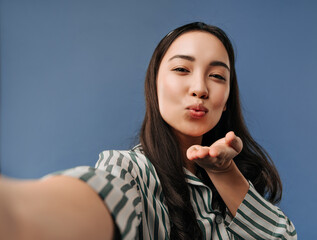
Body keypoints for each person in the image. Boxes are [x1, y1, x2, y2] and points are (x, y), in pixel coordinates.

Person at [0, 22, 296, 239]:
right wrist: (17, 212)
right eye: (182, 69)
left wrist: (223, 171)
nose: (200, 89)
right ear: (154, 83)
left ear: (228, 96)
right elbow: (102, 196)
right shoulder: (130, 170)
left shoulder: (238, 179)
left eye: (217, 76)